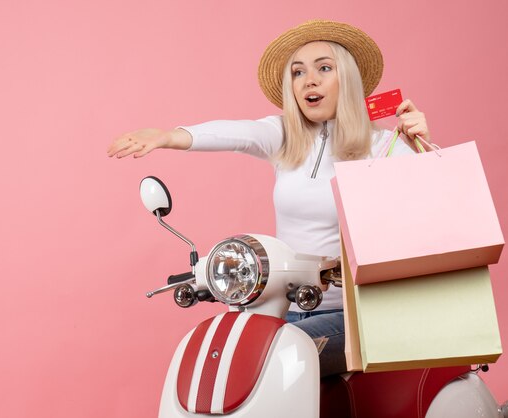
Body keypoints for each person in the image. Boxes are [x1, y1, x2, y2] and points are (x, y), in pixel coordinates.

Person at [107, 19, 430, 377]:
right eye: (298, 72)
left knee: (267, 361)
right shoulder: (285, 137)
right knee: (228, 356)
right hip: (283, 306)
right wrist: (170, 136)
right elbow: (238, 133)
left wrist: (421, 146)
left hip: (356, 316)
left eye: (324, 68)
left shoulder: (383, 146)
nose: (309, 80)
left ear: (348, 79)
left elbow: (434, 203)